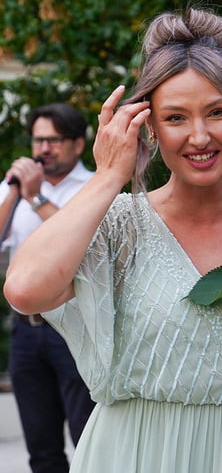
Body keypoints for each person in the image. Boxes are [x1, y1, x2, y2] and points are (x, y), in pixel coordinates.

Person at [3, 9, 222, 472]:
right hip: (133, 455)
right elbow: (24, 290)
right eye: (175, 118)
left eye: (216, 112)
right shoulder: (123, 223)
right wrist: (108, 176)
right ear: (149, 127)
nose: (199, 136)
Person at [0, 103, 96, 472]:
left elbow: (85, 248)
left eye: (53, 140)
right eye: (38, 140)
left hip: (76, 329)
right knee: (41, 449)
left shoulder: (93, 188)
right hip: (26, 331)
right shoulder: (16, 190)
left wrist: (37, 198)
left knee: (87, 440)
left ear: (77, 143)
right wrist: (14, 193)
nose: (43, 149)